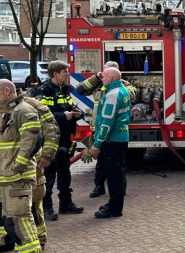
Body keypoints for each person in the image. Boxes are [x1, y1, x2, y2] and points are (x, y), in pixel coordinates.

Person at [0, 79, 45, 253]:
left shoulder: (23, 110)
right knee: (10, 221)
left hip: (17, 178)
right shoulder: (5, 112)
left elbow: (33, 141)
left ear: (7, 91)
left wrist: (17, 167)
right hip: (5, 179)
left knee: (21, 220)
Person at [77, 61, 137, 198]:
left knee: (116, 165)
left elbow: (133, 95)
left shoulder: (123, 87)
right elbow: (80, 90)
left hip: (111, 131)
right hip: (96, 128)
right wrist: (96, 78)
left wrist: (123, 82)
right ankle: (99, 186)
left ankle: (118, 190)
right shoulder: (98, 84)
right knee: (100, 162)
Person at [36, 61, 83, 220]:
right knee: (48, 174)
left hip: (64, 138)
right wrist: (64, 116)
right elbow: (41, 116)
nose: (67, 74)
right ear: (55, 74)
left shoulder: (65, 90)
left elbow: (68, 107)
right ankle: (46, 207)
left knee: (64, 171)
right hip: (51, 139)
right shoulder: (44, 92)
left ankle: (66, 204)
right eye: (64, 72)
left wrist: (77, 114)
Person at [90, 68, 131, 218]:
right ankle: (113, 204)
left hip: (112, 139)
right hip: (119, 137)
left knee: (114, 175)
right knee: (117, 173)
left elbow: (107, 122)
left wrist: (97, 143)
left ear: (112, 77)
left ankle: (114, 208)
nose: (102, 79)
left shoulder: (113, 95)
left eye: (104, 77)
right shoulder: (122, 90)